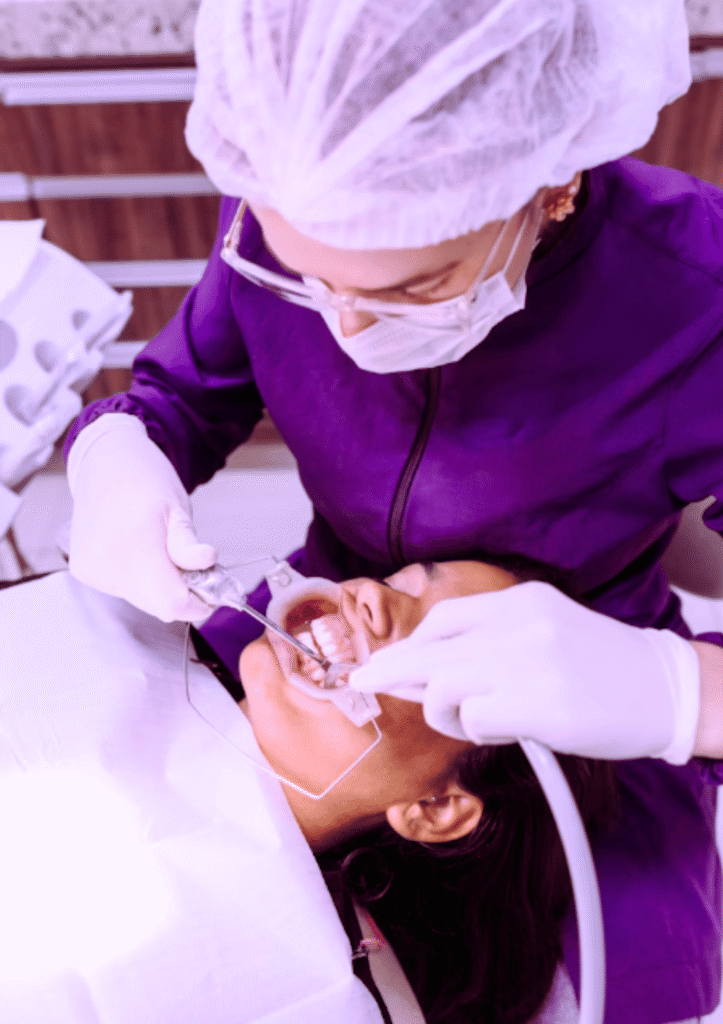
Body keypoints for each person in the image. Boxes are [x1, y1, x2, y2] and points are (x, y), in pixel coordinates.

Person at [62, 2, 723, 1020]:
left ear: (549, 186)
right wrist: (120, 451)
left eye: (411, 285)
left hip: (592, 661)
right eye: (306, 278)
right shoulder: (299, 180)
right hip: (332, 592)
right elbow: (174, 401)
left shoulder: (693, 297)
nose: (343, 323)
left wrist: (676, 694)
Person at [0, 558, 617, 1024]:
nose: (373, 597)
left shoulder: (309, 993)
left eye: (446, 643)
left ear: (438, 808)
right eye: (405, 581)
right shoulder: (97, 627)